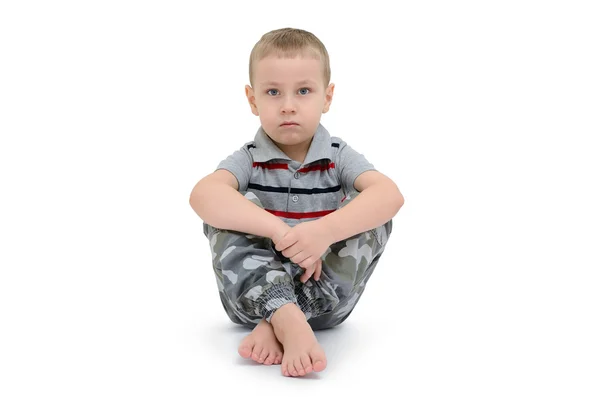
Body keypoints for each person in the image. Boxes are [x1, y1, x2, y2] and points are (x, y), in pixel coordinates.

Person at [189, 27, 404, 377]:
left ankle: (286, 318)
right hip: (251, 299)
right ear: (253, 99)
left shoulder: (338, 156)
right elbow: (202, 195)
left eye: (303, 91)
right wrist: (276, 230)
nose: (288, 105)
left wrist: (324, 232)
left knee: (372, 208)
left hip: (325, 304)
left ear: (327, 97)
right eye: (273, 92)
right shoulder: (249, 159)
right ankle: (283, 315)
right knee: (226, 206)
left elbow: (391, 195)